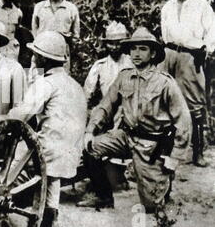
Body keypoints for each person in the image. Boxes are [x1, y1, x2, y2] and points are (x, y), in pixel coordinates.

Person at [76, 28, 192, 213]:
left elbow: (183, 122)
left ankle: (164, 182)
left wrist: (174, 157)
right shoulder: (124, 77)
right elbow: (105, 106)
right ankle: (103, 196)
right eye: (133, 49)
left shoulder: (165, 83)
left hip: (151, 145)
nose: (136, 54)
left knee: (152, 207)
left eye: (142, 49)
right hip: (125, 135)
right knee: (90, 148)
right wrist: (90, 131)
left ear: (153, 53)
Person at [9, 31, 87, 227]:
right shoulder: (74, 85)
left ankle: (3, 203)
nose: (33, 59)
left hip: (49, 152)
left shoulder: (45, 83)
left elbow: (20, 116)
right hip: (70, 153)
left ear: (42, 58)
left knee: (9, 160)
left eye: (35, 55)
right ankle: (48, 218)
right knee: (51, 179)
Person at [160, 0, 215, 167]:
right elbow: (165, 34)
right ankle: (168, 149)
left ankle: (198, 152)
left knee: (195, 103)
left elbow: (211, 31)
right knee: (166, 99)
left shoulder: (201, 6)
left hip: (191, 55)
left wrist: (205, 50)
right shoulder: (167, 7)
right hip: (170, 53)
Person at [84, 22, 133, 107]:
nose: (114, 47)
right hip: (107, 110)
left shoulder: (132, 62)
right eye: (111, 43)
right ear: (106, 44)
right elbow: (87, 93)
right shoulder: (100, 65)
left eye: (118, 43)